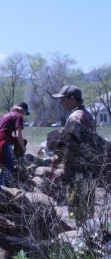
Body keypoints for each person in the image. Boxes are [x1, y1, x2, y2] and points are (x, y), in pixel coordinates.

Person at [52, 85, 97, 227]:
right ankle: (86, 230)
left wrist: (57, 156)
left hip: (77, 168)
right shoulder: (87, 114)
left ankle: (81, 233)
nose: (61, 103)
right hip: (89, 166)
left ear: (72, 99)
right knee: (87, 202)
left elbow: (69, 142)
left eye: (62, 99)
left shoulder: (74, 117)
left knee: (77, 204)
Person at [0, 102, 29, 187]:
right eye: (25, 113)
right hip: (2, 141)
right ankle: (4, 190)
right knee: (9, 167)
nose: (24, 116)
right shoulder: (18, 116)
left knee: (5, 166)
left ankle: (0, 186)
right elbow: (18, 135)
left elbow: (2, 131)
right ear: (23, 110)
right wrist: (23, 148)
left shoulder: (7, 114)